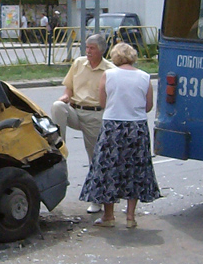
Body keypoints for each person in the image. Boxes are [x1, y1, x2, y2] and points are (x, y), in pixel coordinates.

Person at [79, 42, 160, 228]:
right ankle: (131, 217)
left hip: (113, 126)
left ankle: (109, 216)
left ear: (115, 57)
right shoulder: (145, 77)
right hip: (137, 127)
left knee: (109, 169)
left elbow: (102, 102)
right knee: (135, 169)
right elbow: (148, 106)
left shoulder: (108, 75)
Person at [50, 34, 114, 213]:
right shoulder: (79, 63)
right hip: (75, 110)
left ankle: (97, 199)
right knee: (57, 107)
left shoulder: (109, 70)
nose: (88, 51)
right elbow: (69, 87)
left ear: (101, 50)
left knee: (95, 158)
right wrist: (65, 97)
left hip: (95, 115)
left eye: (92, 48)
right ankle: (59, 147)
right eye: (87, 47)